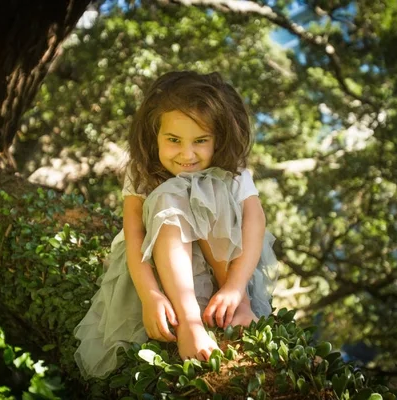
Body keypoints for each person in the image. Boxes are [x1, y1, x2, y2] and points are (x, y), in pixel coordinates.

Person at [74, 71, 279, 379]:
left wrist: (237, 287)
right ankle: (190, 323)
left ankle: (237, 307)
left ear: (218, 138)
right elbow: (134, 235)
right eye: (173, 140)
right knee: (170, 194)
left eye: (200, 140)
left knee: (210, 188)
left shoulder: (231, 168)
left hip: (230, 272)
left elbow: (255, 219)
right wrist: (150, 296)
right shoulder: (142, 170)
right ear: (153, 135)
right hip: (163, 266)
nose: (187, 154)